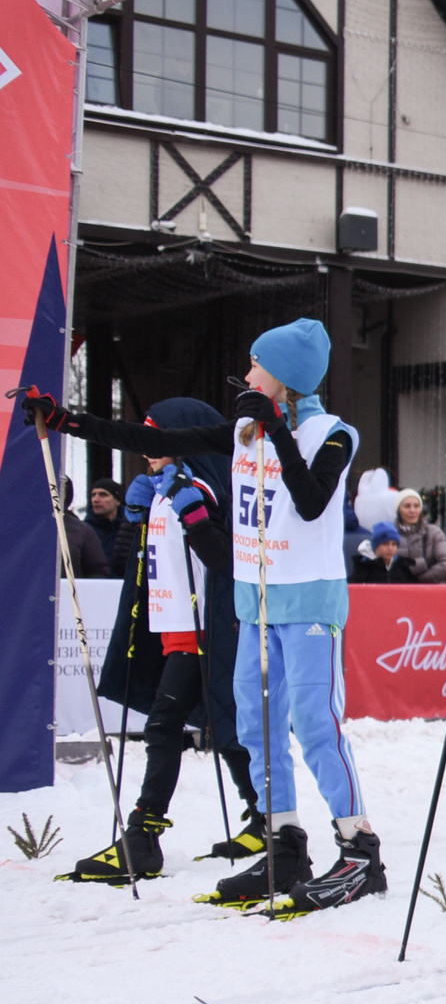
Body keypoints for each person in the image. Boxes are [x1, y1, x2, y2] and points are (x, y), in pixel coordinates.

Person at [27, 318, 388, 908]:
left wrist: (275, 432)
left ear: (285, 377)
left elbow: (311, 499)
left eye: (256, 366)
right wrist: (68, 420)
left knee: (316, 724)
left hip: (310, 601)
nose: (246, 376)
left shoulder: (333, 434)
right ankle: (283, 844)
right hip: (255, 602)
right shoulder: (245, 429)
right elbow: (161, 442)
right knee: (254, 725)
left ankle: (359, 850)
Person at [61, 399, 259, 883]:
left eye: (156, 438)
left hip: (200, 631)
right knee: (219, 724)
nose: (148, 450)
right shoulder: (161, 489)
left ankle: (143, 835)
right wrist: (140, 513)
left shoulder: (202, 487)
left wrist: (188, 508)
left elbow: (221, 558)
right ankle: (264, 816)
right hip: (170, 625)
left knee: (165, 725)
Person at [391, 488, 446, 583]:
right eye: (407, 506)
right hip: (397, 592)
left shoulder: (434, 532)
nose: (412, 510)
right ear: (398, 509)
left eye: (416, 506)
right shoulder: (389, 533)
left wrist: (417, 580)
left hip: (429, 591)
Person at [84, 483, 121, 563]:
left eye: (103, 495)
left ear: (117, 501)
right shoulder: (84, 530)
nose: (96, 500)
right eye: (93, 495)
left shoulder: (129, 529)